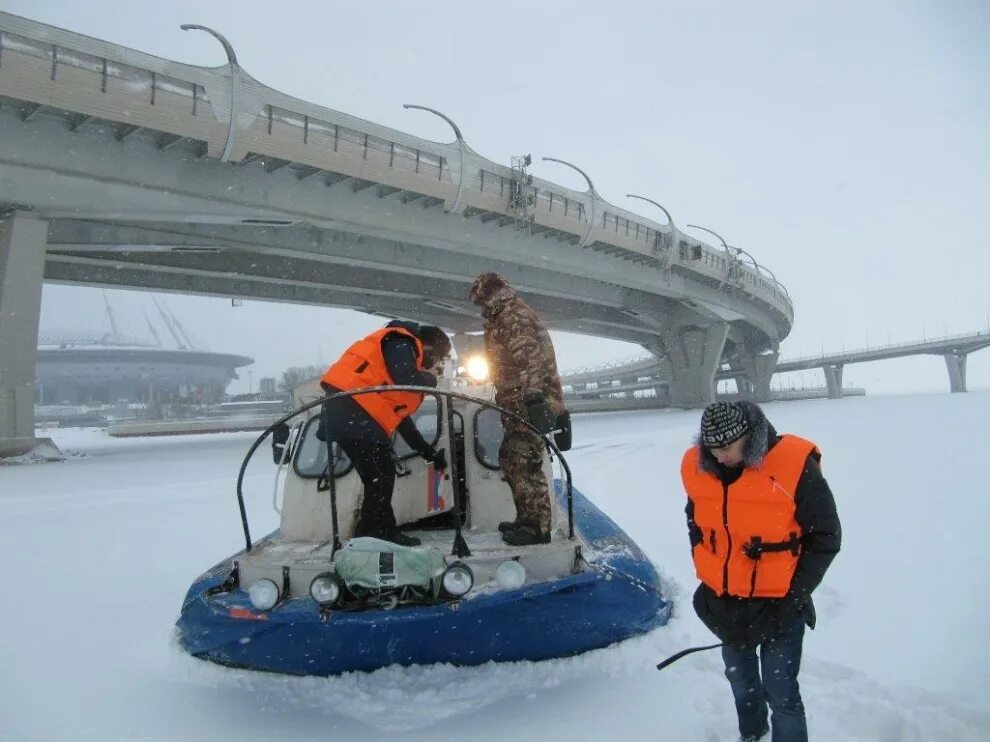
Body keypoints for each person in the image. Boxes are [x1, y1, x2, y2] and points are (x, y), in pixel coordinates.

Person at [682, 400, 841, 742]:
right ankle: (751, 735)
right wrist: (704, 558)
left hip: (780, 606)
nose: (719, 456)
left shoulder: (796, 467)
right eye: (711, 448)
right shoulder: (702, 468)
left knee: (781, 693)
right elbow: (695, 518)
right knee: (741, 682)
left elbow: (826, 537)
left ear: (748, 437)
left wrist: (793, 596)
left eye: (726, 447)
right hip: (725, 603)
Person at [319, 320, 451, 547]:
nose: (432, 366)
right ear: (429, 348)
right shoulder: (400, 342)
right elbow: (407, 378)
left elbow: (403, 422)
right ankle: (379, 532)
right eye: (436, 360)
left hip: (353, 416)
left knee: (378, 476)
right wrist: (430, 379)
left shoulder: (391, 373)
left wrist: (428, 453)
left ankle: (369, 533)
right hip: (354, 414)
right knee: (381, 475)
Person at [468, 271, 567, 546]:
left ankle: (538, 527)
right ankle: (526, 519)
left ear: (489, 295)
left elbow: (530, 359)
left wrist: (534, 399)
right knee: (513, 460)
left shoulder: (512, 316)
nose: (481, 308)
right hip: (515, 400)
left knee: (525, 461)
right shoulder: (503, 316)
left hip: (525, 400)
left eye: (480, 301)